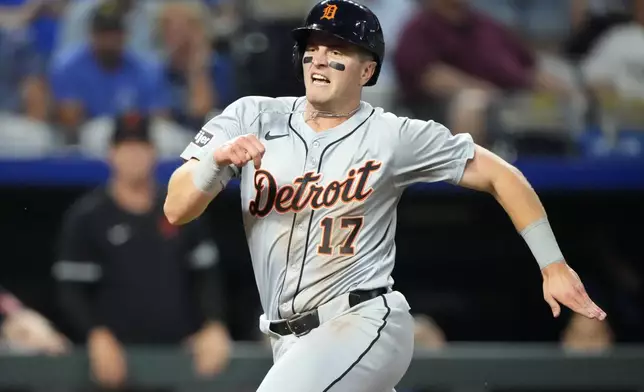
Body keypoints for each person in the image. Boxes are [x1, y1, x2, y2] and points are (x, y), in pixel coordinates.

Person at [163, 1, 606, 391]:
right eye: (312, 49)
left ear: (368, 70)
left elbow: (502, 175)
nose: (318, 60)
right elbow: (176, 208)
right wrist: (215, 162)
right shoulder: (251, 115)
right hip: (288, 340)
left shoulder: (392, 135)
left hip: (361, 321)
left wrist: (553, 264)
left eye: (336, 51)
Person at [53, 114, 230, 390]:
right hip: (114, 364)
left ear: (154, 153)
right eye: (126, 147)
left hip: (179, 360)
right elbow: (71, 291)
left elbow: (205, 275)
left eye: (141, 147)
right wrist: (95, 335)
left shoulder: (180, 208)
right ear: (111, 154)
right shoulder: (88, 217)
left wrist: (213, 324)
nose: (134, 155)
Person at [0, 284, 69, 355]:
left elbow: (52, 343)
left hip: (43, 356)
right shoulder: (9, 322)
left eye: (5, 301)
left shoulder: (28, 317)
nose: (4, 304)